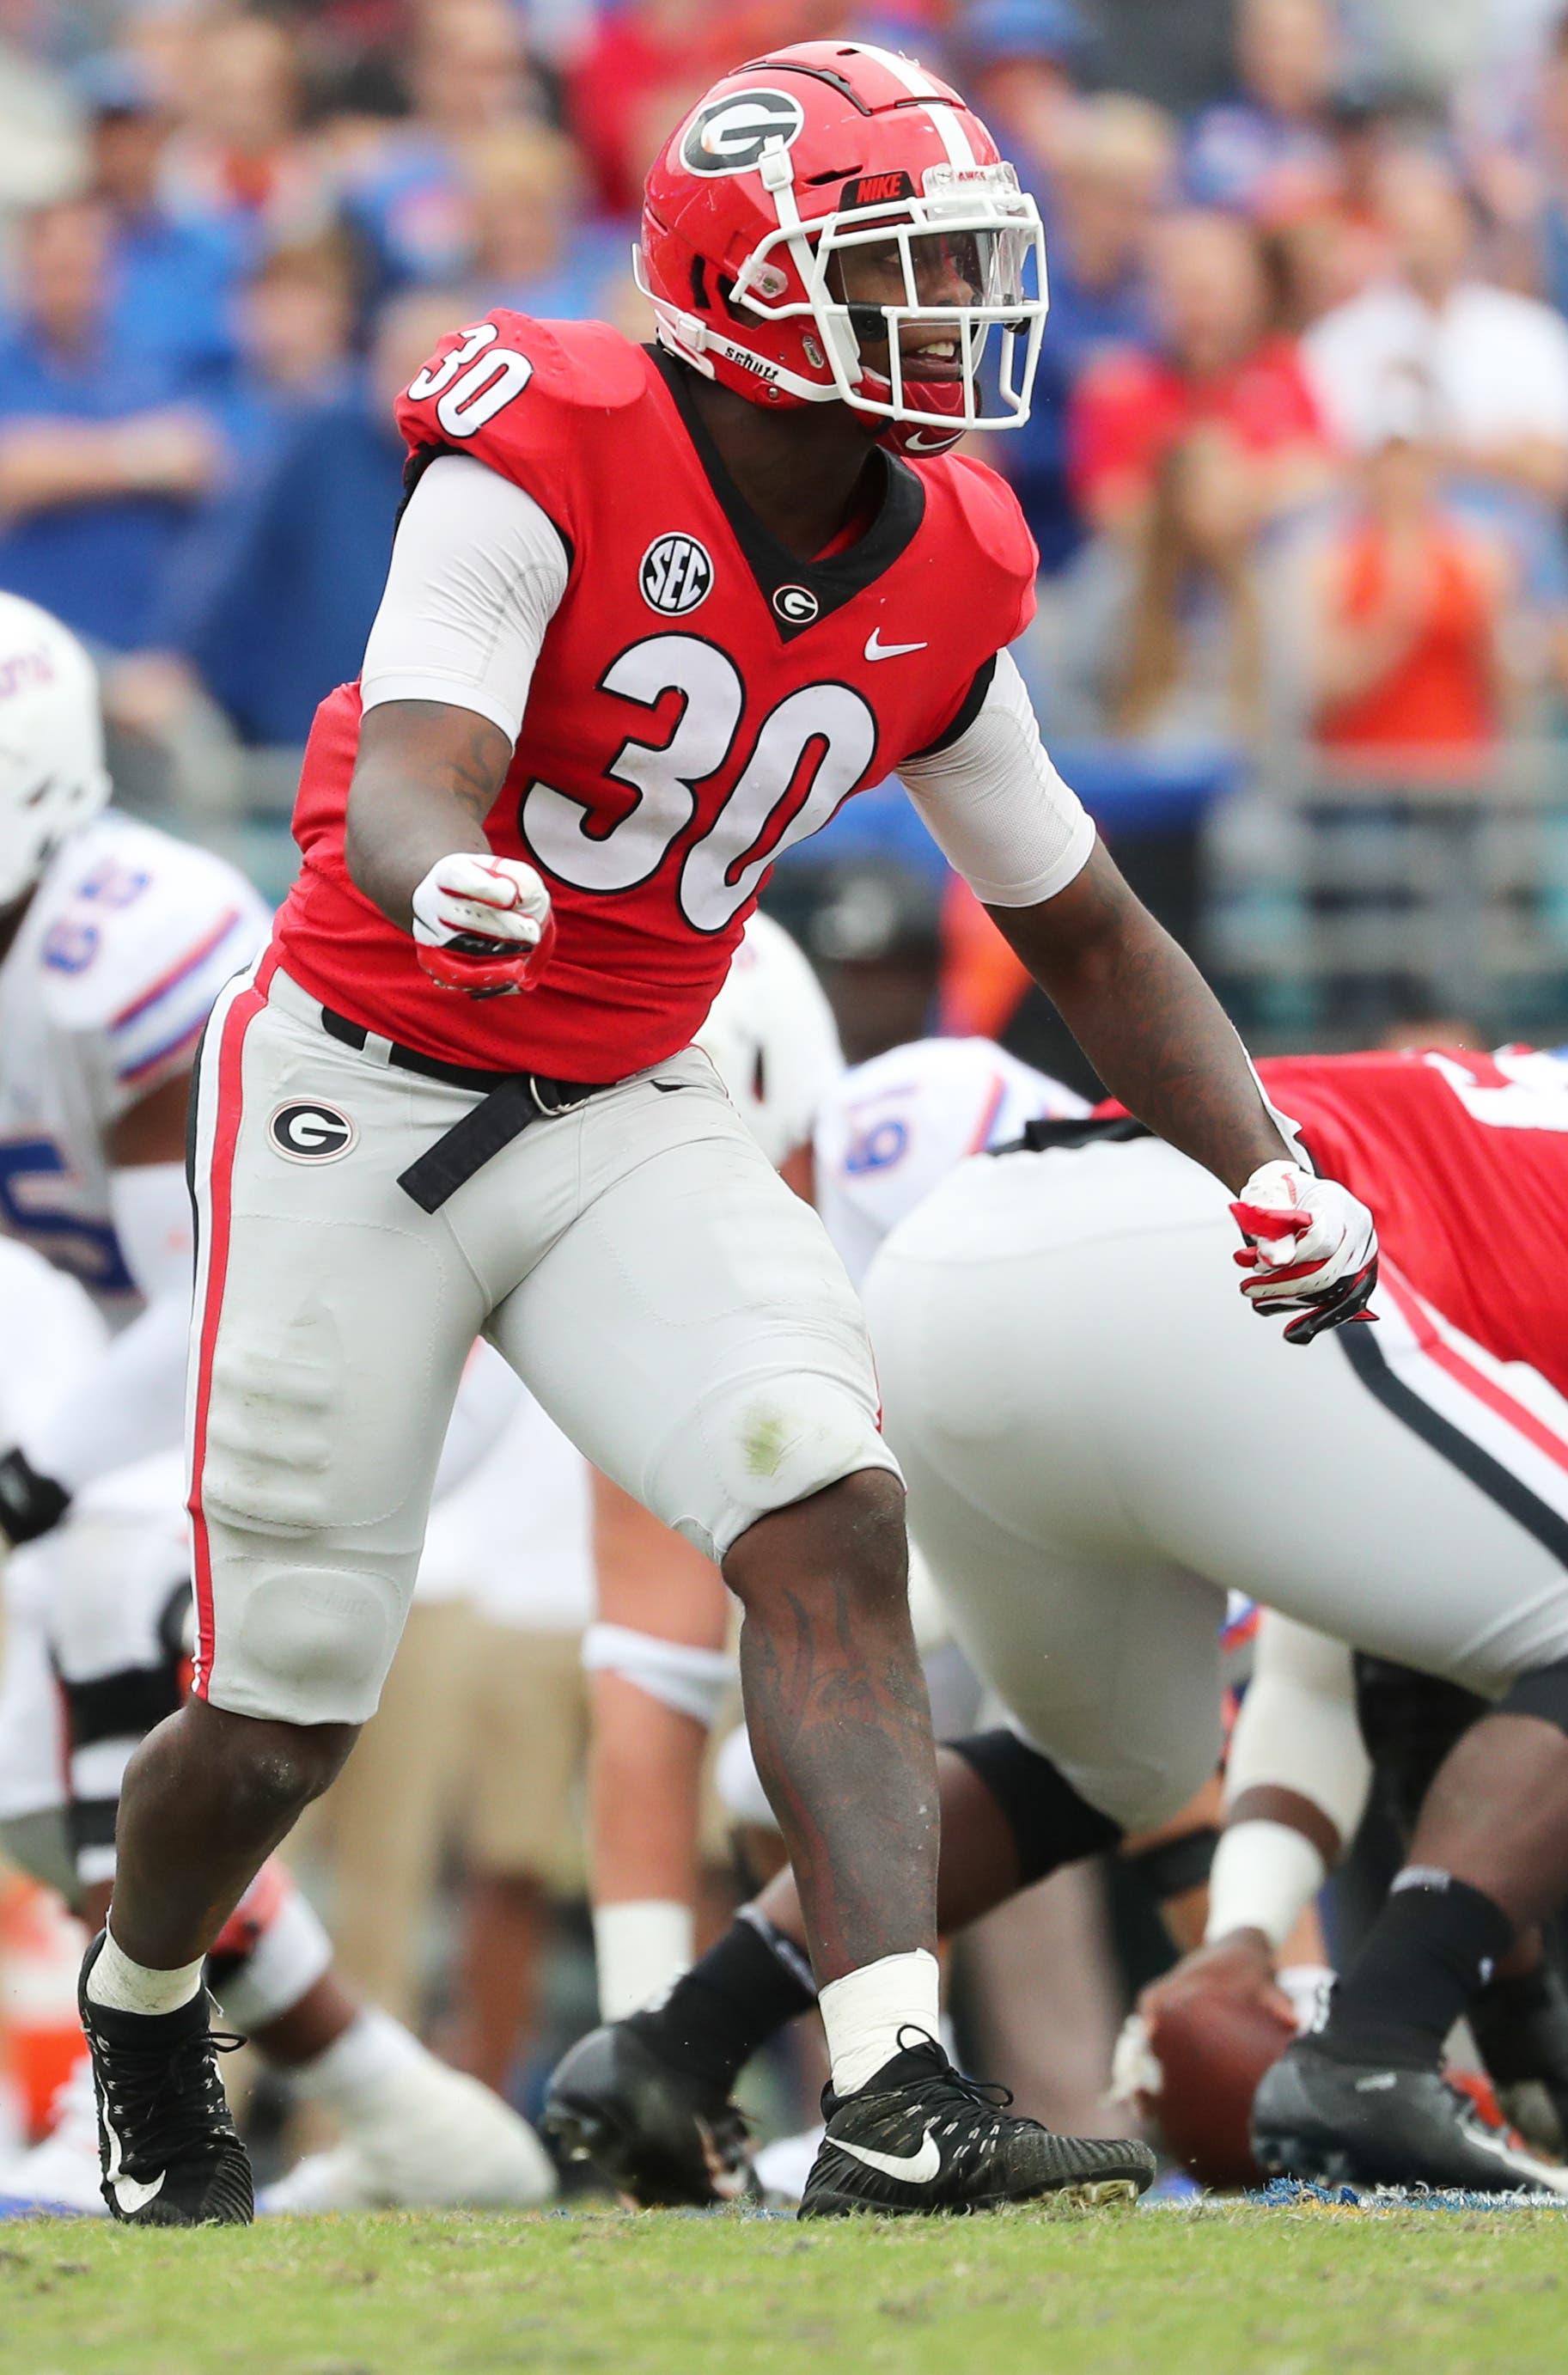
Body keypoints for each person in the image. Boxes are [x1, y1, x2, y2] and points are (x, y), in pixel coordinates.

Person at [86, 39, 1374, 2230]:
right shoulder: (552, 440)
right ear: (740, 289)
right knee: (289, 1694)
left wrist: (1262, 1156)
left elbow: (1075, 915)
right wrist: (439, 870)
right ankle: (140, 1996)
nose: (960, 304)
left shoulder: (946, 549)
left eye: (968, 257)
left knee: (821, 1495)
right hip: (359, 1073)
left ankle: (887, 2080)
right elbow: (411, 765)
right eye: (902, 263)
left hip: (628, 1098)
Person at [585, 1041, 1568, 2196]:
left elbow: (1378, 1652)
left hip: (956, 1267)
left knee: (1113, 1766)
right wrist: (1448, 2016)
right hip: (1205, 1247)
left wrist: (1260, 1941)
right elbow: (1375, 1673)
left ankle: (672, 2045)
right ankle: (1376, 2055)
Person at [0, 594, 555, 2215]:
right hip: (230, 1349)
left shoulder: (123, 945)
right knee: (42, 1785)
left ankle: (138, 2107)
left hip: (391, 1328)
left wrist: (36, 1464)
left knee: (105, 1574)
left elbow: (216, 1292)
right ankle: (406, 2114)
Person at [1071, 206, 1333, 540]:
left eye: (1214, 293)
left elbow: (1320, 470)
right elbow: (1112, 507)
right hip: (1158, 569)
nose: (1201, 314)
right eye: (1185, 293)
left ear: (1253, 295)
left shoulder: (1283, 368)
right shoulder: (1119, 386)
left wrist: (1229, 496)